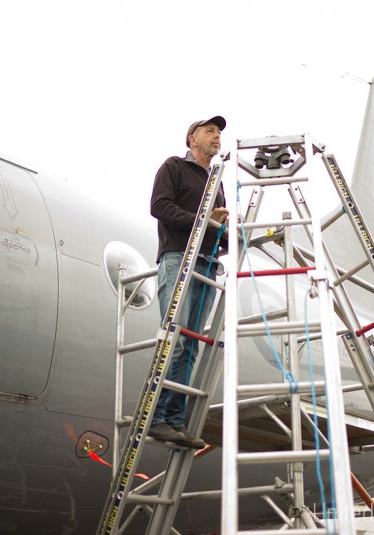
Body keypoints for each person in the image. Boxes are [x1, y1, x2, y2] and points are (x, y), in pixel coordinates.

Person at [148, 116, 229, 449]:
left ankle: (176, 421)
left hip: (208, 265)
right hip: (178, 259)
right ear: (192, 139)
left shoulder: (216, 181)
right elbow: (159, 206)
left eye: (219, 133)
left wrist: (226, 233)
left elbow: (216, 228)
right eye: (210, 131)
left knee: (192, 345)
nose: (217, 137)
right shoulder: (174, 168)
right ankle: (156, 419)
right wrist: (204, 221)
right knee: (177, 340)